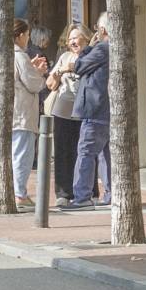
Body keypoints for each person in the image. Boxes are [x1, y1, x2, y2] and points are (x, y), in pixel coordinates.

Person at [67, 12, 111, 209]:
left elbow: (79, 66)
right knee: (105, 154)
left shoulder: (102, 48)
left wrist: (89, 47)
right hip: (106, 110)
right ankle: (110, 194)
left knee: (85, 152)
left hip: (95, 109)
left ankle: (82, 197)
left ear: (101, 30)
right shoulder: (113, 48)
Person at [46, 25, 90, 206]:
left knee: (83, 153)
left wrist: (71, 68)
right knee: (63, 153)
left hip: (84, 111)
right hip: (62, 111)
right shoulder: (64, 57)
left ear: (86, 39)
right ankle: (63, 194)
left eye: (76, 38)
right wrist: (58, 72)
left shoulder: (91, 56)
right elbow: (50, 84)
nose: (72, 42)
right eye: (70, 39)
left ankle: (87, 192)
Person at [11, 19, 49, 207]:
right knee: (22, 154)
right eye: (26, 35)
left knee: (15, 153)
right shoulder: (19, 55)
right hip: (22, 114)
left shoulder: (3, 54)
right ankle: (20, 194)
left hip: (11, 114)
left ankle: (16, 192)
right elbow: (32, 83)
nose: (28, 39)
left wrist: (31, 67)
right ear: (19, 36)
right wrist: (40, 72)